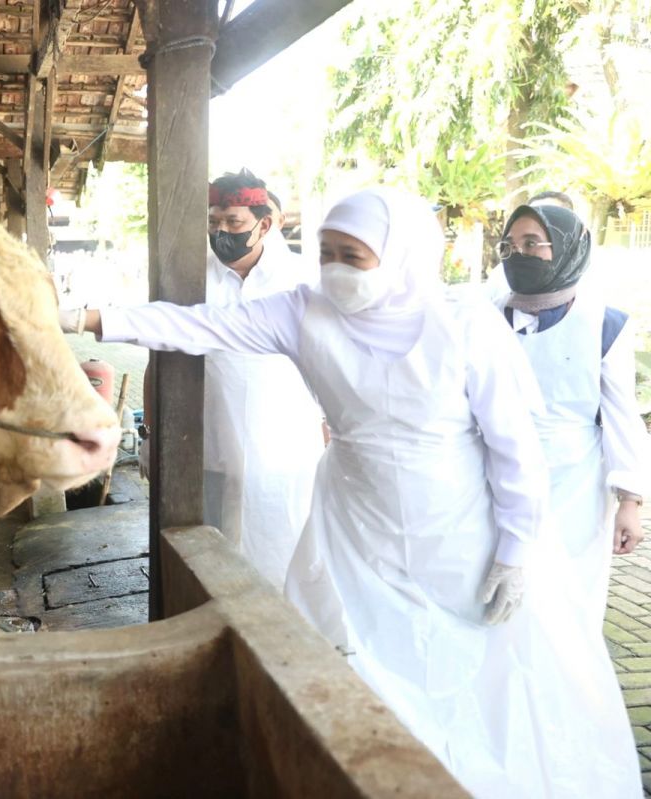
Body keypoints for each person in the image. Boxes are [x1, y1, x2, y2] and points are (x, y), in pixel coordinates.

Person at [62, 187, 638, 796]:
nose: (335, 269)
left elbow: (514, 450)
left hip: (461, 528)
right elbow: (198, 325)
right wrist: (86, 318)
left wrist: (516, 550)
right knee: (360, 660)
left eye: (352, 256)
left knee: (486, 676)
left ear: (401, 254)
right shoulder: (304, 312)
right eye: (326, 252)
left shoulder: (465, 324)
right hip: (354, 527)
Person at [495, 203, 648, 628]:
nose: (518, 254)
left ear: (568, 250)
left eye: (532, 244)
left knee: (566, 600)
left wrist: (630, 502)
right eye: (509, 245)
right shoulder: (486, 316)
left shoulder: (604, 324)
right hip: (495, 475)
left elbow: (621, 416)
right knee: (501, 593)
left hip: (574, 483)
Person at [193, 170, 323, 589]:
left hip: (287, 444)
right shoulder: (193, 276)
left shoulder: (302, 280)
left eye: (234, 223)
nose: (222, 232)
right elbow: (163, 351)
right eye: (215, 222)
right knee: (213, 552)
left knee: (285, 547)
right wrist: (150, 432)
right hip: (211, 438)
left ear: (264, 224)